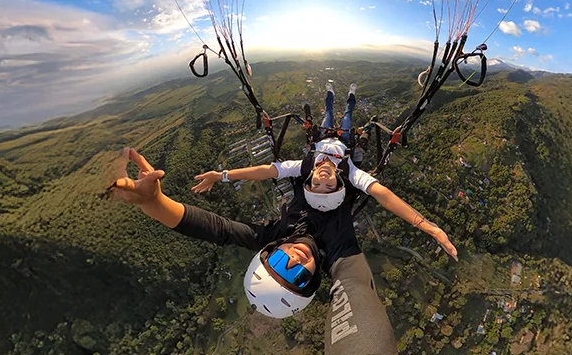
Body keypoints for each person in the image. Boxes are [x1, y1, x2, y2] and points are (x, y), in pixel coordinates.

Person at [108, 147, 407, 355]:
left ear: (271, 249)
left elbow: (219, 230)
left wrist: (154, 203)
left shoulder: (272, 235)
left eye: (278, 261)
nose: (293, 259)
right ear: (313, 279)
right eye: (296, 274)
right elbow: (358, 298)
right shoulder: (340, 252)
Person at [192, 83, 458, 260]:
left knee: (328, 112)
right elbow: (384, 195)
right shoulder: (350, 172)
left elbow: (265, 171)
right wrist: (429, 228)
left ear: (308, 181)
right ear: (339, 184)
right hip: (345, 140)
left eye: (315, 186)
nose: (322, 180)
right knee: (347, 115)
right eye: (329, 187)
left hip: (321, 137)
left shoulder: (305, 166)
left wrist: (221, 175)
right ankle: (351, 93)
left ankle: (329, 91)